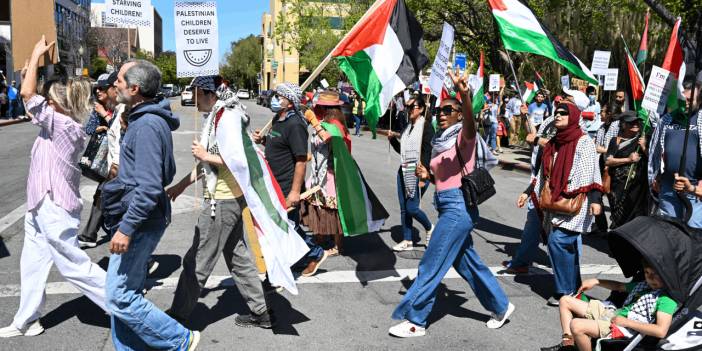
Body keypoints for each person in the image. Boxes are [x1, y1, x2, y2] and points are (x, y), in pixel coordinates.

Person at [389, 68, 514, 337]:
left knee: (431, 264)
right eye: (440, 111)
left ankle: (416, 320)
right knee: (469, 263)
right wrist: (430, 175)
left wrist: (464, 95)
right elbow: (448, 176)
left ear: (459, 114)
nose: (442, 114)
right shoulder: (441, 142)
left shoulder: (463, 137)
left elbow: (471, 122)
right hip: (447, 203)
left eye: (448, 110)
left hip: (458, 208)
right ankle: (501, 306)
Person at [0, 36, 108, 338]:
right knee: (32, 263)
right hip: (39, 200)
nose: (44, 103)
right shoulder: (59, 122)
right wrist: (30, 63)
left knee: (73, 265)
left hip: (55, 205)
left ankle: (123, 306)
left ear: (59, 105)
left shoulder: (65, 127)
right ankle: (27, 320)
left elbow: (26, 92)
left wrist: (35, 54)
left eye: (49, 101)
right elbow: (30, 88)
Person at [102, 59, 199, 350]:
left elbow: (148, 188)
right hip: (142, 216)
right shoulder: (144, 120)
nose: (114, 84)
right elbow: (162, 173)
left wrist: (126, 229)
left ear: (134, 88)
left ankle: (180, 339)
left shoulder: (146, 126)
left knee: (119, 297)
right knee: (127, 294)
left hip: (140, 221)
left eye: (119, 80)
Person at [165, 76, 273, 329]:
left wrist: (204, 154)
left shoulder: (226, 118)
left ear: (209, 94)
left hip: (222, 202)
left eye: (196, 93)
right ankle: (262, 311)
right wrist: (182, 184)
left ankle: (178, 316)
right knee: (238, 258)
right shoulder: (219, 116)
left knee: (197, 260)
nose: (193, 99)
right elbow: (211, 162)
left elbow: (238, 160)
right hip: (228, 198)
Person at [531, 102, 603, 306]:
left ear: (573, 117)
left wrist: (596, 200)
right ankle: (577, 290)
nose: (558, 115)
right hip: (555, 201)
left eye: (563, 113)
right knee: (567, 247)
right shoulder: (555, 142)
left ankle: (566, 290)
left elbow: (592, 172)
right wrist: (530, 191)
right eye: (556, 113)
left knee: (558, 242)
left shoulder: (584, 141)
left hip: (576, 200)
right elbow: (543, 171)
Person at [253, 82, 327, 277]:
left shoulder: (296, 125)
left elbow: (301, 160)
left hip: (287, 186)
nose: (275, 99)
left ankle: (315, 253)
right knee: (280, 226)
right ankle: (294, 258)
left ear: (290, 102)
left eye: (279, 96)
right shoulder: (279, 118)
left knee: (288, 228)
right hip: (273, 182)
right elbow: (279, 144)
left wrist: (295, 191)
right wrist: (264, 141)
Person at [541, 260, 677, 351]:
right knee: (565, 300)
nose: (650, 278)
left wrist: (626, 322)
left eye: (655, 274)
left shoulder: (666, 300)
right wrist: (596, 281)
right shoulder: (643, 285)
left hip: (624, 328)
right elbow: (618, 286)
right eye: (647, 273)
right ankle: (568, 343)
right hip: (614, 315)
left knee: (577, 325)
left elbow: (661, 331)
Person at [502, 113, 558, 274]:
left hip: (561, 195)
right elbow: (534, 134)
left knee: (561, 237)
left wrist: (537, 140)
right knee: (532, 225)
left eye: (566, 100)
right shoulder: (552, 120)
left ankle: (568, 277)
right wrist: (528, 191)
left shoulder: (577, 131)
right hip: (540, 184)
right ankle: (521, 261)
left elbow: (561, 148)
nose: (559, 111)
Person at [649, 74, 702, 228]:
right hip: (668, 187)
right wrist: (657, 174)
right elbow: (656, 151)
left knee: (693, 233)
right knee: (669, 231)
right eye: (681, 99)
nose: (684, 103)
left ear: (698, 99)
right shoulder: (667, 120)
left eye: (689, 100)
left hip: (694, 190)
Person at [385, 95, 435, 251]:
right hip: (404, 169)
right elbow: (403, 151)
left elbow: (428, 151)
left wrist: (424, 172)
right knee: (403, 207)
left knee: (412, 207)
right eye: (406, 107)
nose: (408, 110)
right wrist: (393, 139)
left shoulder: (426, 126)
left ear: (420, 109)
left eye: (411, 107)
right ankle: (407, 240)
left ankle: (430, 227)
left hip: (419, 171)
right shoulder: (407, 127)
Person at [78, 72, 119, 248]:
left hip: (117, 162)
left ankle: (93, 234)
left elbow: (121, 131)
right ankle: (93, 234)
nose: (98, 92)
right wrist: (99, 127)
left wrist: (106, 117)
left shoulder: (118, 107)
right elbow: (88, 128)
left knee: (105, 196)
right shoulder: (100, 107)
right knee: (102, 195)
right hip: (104, 160)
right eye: (97, 89)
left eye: (102, 88)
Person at [604, 112, 648, 229]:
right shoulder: (616, 141)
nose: (635, 125)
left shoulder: (643, 140)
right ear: (623, 124)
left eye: (637, 122)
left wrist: (643, 147)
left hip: (636, 186)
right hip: (618, 186)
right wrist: (628, 159)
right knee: (619, 216)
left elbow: (652, 159)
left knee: (634, 214)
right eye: (631, 122)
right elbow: (608, 161)